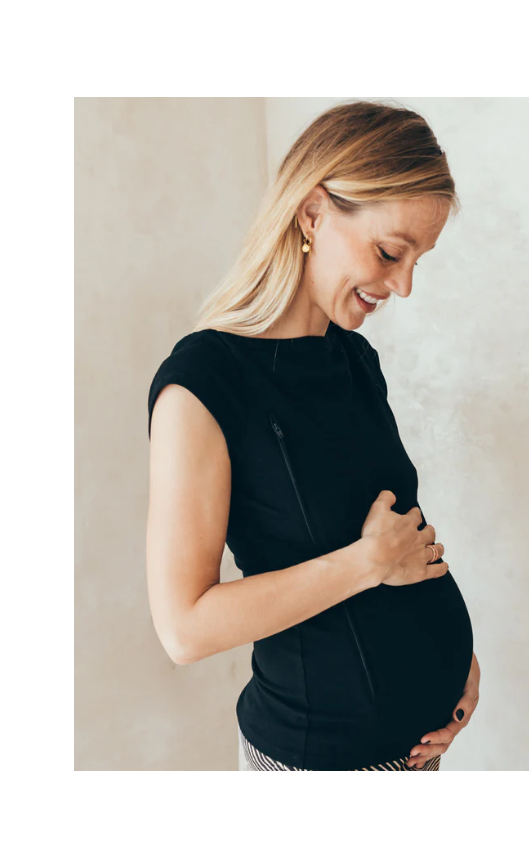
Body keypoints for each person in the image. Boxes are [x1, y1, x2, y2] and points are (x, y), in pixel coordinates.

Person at [146, 100, 480, 771]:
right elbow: (184, 626)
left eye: (419, 258)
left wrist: (457, 668)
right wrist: (366, 565)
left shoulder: (352, 360)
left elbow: (395, 532)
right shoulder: (203, 382)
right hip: (315, 765)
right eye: (391, 251)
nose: (405, 285)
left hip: (414, 755)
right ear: (312, 212)